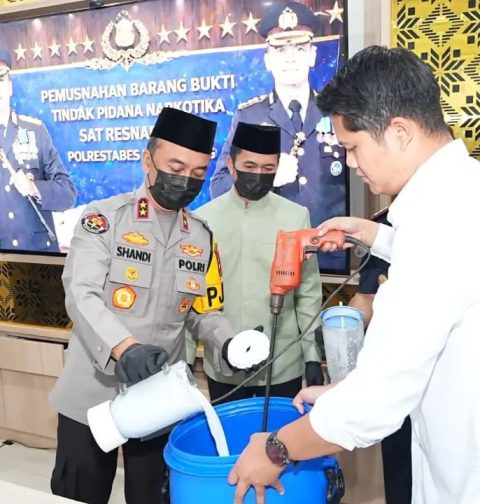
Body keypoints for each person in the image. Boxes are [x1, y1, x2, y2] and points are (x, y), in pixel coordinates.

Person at [227, 45, 480, 504]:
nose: (351, 163)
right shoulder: (464, 193)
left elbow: (376, 402)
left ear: (399, 132)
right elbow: (450, 276)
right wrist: (371, 235)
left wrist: (277, 448)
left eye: (353, 147)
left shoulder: (438, 224)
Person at [49, 108, 267, 504]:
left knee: (153, 496)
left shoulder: (200, 236)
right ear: (147, 161)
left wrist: (229, 343)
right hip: (91, 394)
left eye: (198, 172)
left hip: (159, 398)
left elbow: (202, 310)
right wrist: (125, 347)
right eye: (176, 167)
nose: (186, 180)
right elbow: (82, 294)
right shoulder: (104, 220)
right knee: (78, 495)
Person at [209, 2, 348, 272]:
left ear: (312, 55)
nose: (290, 59)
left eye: (299, 49)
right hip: (270, 258)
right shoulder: (249, 116)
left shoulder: (338, 112)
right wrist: (266, 178)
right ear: (268, 60)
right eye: (280, 50)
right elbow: (219, 186)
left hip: (331, 257)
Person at [190, 121, 323, 403]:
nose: (259, 175)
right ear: (231, 164)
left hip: (282, 364)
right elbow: (192, 296)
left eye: (268, 168)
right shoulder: (203, 220)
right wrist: (187, 359)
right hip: (224, 362)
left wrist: (312, 355)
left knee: (282, 432)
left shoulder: (295, 216)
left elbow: (308, 293)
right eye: (250, 166)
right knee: (229, 432)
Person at [349, 207, 412, 504]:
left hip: (454, 386)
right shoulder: (387, 223)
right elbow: (367, 297)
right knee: (400, 473)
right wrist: (344, 325)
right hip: (397, 379)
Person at [0, 45, 76, 252]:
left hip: (36, 255)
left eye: (0, 78)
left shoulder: (35, 130)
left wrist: (35, 188)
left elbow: (67, 193)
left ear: (10, 86)